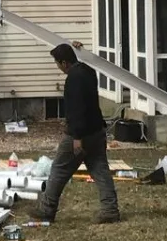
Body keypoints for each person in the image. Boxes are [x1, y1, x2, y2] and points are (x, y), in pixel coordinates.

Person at [29, 42, 120, 224]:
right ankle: (110, 210)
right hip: (97, 130)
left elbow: (77, 108)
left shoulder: (74, 78)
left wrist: (76, 137)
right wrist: (78, 48)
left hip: (80, 134)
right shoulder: (87, 71)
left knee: (59, 169)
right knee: (100, 170)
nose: (58, 67)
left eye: (57, 63)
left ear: (64, 63)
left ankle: (47, 209)